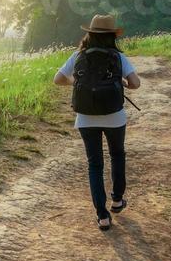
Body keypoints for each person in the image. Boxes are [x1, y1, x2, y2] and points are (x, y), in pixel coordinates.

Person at [53, 14, 140, 231]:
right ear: (112, 36)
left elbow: (58, 79)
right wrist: (119, 82)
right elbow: (136, 84)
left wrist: (76, 81)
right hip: (114, 116)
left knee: (95, 164)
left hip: (85, 118)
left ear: (90, 34)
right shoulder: (118, 57)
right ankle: (117, 200)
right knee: (117, 155)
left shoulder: (78, 55)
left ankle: (102, 216)